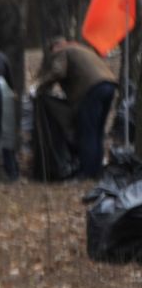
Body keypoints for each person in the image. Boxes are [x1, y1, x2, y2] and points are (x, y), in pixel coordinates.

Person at [34, 35, 118, 181]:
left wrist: (39, 86)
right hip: (109, 86)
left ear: (56, 47)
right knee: (97, 132)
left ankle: (87, 173)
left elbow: (58, 71)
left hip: (90, 90)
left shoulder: (62, 51)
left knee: (87, 133)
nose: (53, 55)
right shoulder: (82, 49)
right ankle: (96, 170)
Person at [0, 49, 19, 182]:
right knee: (7, 132)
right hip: (3, 92)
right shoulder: (1, 56)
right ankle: (12, 170)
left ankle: (0, 167)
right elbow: (9, 77)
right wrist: (13, 91)